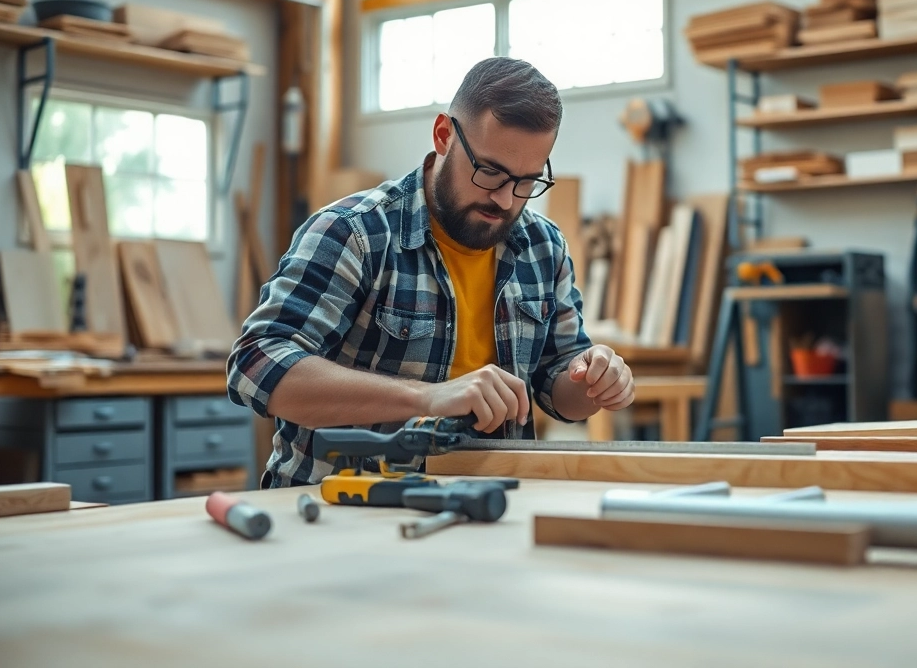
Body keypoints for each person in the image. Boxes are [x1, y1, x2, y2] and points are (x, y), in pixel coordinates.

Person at [227, 57, 635, 488]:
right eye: (489, 172)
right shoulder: (355, 233)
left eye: (526, 182)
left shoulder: (544, 247)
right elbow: (256, 364)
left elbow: (560, 390)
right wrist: (425, 398)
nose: (505, 200)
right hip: (341, 505)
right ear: (443, 135)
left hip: (486, 503)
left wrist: (593, 381)